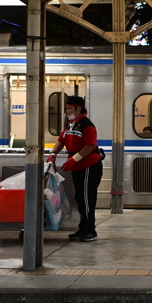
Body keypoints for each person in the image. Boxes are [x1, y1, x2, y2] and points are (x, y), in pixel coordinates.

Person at [47, 95, 103, 241]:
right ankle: (83, 227)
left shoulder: (87, 124)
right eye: (66, 108)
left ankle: (90, 230)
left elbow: (90, 145)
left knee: (86, 198)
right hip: (77, 166)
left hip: (88, 166)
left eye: (69, 108)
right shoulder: (70, 124)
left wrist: (74, 159)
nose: (67, 111)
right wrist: (53, 153)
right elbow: (61, 140)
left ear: (78, 109)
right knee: (79, 197)